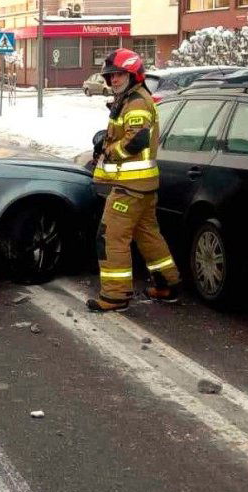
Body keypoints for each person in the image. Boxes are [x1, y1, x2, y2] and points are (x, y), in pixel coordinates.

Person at [87, 48, 181, 313]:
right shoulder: (131, 99)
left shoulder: (136, 102)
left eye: (119, 75)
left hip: (130, 188)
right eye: (110, 76)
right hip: (142, 186)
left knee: (110, 237)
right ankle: (167, 284)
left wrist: (109, 152)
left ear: (133, 74)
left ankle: (115, 296)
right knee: (148, 236)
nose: (114, 80)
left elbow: (137, 139)